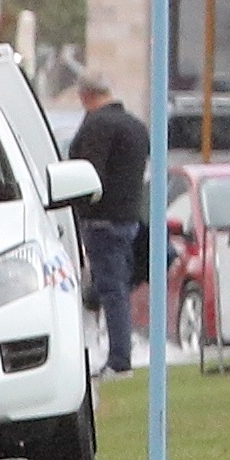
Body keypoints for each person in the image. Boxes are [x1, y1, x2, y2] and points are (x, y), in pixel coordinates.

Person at [65, 79, 153, 373]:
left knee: (111, 290)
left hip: (102, 221)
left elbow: (89, 175)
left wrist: (78, 209)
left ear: (85, 95)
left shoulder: (97, 127)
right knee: (106, 289)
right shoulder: (136, 127)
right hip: (129, 219)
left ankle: (118, 359)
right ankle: (106, 345)